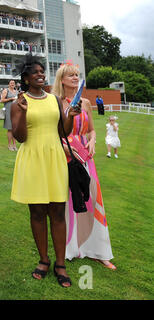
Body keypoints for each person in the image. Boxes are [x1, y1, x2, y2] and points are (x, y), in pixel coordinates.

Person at [10, 53, 80, 288]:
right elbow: (20, 137)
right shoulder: (18, 102)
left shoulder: (54, 99)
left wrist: (70, 115)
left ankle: (60, 264)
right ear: (26, 77)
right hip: (32, 158)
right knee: (37, 212)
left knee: (58, 212)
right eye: (35, 72)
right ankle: (43, 260)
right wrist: (20, 112)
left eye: (42, 71)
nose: (41, 74)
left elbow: (63, 132)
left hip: (54, 158)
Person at [52, 62, 116, 270]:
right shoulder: (56, 103)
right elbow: (55, 132)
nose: (74, 77)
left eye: (77, 75)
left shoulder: (87, 103)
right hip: (66, 157)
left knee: (92, 199)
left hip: (86, 157)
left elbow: (92, 130)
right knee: (69, 201)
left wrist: (92, 140)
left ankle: (98, 250)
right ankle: (71, 249)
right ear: (61, 79)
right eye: (70, 75)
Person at [1, 80, 18, 151]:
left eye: (13, 83)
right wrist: (11, 99)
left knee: (15, 129)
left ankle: (14, 145)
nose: (12, 84)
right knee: (10, 128)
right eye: (11, 83)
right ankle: (9, 145)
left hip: (16, 112)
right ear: (9, 84)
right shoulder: (6, 90)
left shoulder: (16, 91)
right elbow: (2, 100)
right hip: (8, 111)